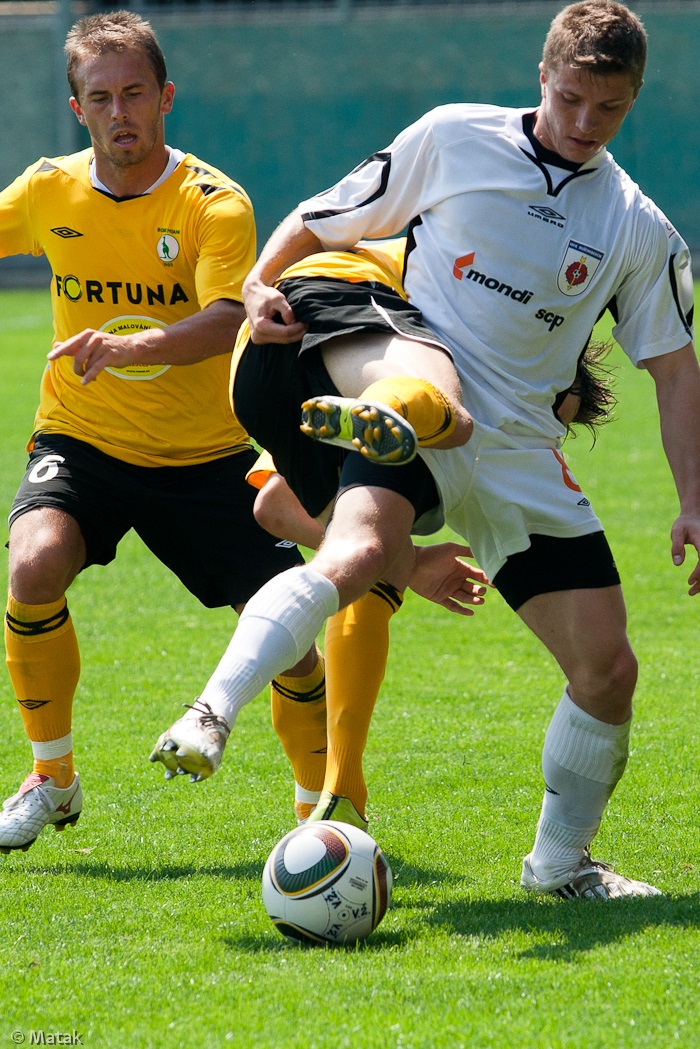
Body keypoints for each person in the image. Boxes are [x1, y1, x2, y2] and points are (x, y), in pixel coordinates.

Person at [159, 0, 699, 899]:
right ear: (543, 75)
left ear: (633, 100)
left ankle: (560, 865)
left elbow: (675, 370)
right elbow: (326, 216)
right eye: (569, 99)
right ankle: (211, 711)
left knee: (608, 669)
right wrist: (256, 283)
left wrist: (692, 499)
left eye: (607, 110)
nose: (582, 124)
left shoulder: (636, 227)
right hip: (407, 384)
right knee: (361, 551)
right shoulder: (455, 137)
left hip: (522, 447)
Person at [151, 232, 615, 833]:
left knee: (367, 556)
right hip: (333, 303)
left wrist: (414, 563)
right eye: (554, 404)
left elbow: (273, 507)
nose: (535, 423)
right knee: (453, 419)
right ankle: (396, 407)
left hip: (261, 371)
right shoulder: (480, 308)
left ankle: (285, 769)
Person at [0, 10, 328, 855]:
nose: (121, 113)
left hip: (208, 457)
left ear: (166, 97)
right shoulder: (47, 189)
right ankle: (53, 776)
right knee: (33, 566)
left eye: (135, 93)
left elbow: (228, 322)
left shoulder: (214, 202)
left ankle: (320, 816)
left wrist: (128, 344)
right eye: (101, 97)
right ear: (77, 109)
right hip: (84, 440)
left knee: (289, 636)